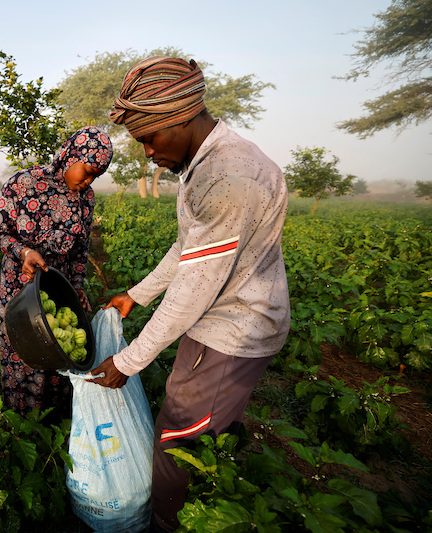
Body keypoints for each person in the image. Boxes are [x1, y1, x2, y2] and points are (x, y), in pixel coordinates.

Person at [90, 57, 290, 532]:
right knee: (200, 427)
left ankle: (170, 522)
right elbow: (188, 247)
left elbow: (193, 292)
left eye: (149, 139)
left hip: (231, 331)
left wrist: (128, 361)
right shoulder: (206, 165)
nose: (147, 153)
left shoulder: (229, 178)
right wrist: (136, 296)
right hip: (222, 322)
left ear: (179, 120)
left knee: (181, 437)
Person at [0, 126, 113, 416]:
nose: (88, 180)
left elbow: (81, 250)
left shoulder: (86, 200)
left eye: (96, 175)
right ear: (70, 156)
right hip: (20, 288)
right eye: (86, 170)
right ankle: (19, 421)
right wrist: (23, 252)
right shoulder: (24, 184)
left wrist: (78, 287)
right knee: (23, 351)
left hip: (58, 291)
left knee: (58, 349)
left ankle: (53, 421)